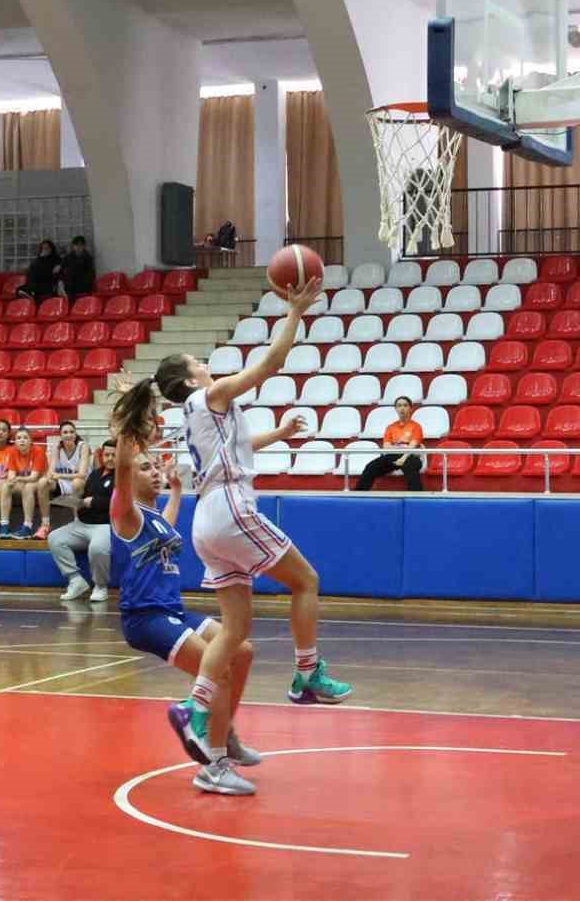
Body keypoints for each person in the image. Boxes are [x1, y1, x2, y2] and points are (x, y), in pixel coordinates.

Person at [111, 276, 350, 790]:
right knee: (305, 580)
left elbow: (237, 447)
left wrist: (279, 434)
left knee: (237, 633)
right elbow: (270, 365)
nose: (205, 362)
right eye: (197, 361)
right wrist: (295, 311)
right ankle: (307, 673)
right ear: (191, 377)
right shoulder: (212, 394)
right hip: (231, 510)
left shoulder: (200, 412)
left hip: (208, 521)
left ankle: (208, 738)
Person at [106, 430, 260, 794]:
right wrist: (128, 431)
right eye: (146, 468)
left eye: (156, 466)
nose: (155, 471)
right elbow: (122, 467)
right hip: (146, 617)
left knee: (241, 652)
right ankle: (213, 768)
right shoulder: (126, 513)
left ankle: (225, 735)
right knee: (218, 669)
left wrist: (174, 491)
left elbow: (168, 529)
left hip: (172, 610)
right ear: (129, 476)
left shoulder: (154, 517)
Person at [48, 438, 115, 602]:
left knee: (98, 548)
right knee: (55, 538)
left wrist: (94, 502)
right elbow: (85, 497)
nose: (110, 458)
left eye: (114, 455)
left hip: (105, 525)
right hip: (82, 524)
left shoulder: (123, 477)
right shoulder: (95, 474)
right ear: (102, 455)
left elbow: (121, 503)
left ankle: (100, 586)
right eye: (107, 455)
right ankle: (75, 580)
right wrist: (75, 501)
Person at [31, 421, 90, 540]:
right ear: (61, 435)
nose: (68, 435)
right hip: (63, 482)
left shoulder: (83, 447)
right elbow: (51, 472)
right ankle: (45, 525)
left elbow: (82, 474)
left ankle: (77, 523)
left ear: (75, 434)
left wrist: (59, 475)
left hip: (82, 483)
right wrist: (47, 478)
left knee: (76, 482)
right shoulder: (57, 448)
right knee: (42, 483)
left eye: (71, 432)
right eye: (65, 432)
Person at [355, 397, 426, 492]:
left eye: (405, 405)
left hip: (410, 456)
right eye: (399, 406)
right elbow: (386, 447)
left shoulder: (416, 426)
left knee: (410, 467)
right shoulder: (391, 427)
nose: (402, 408)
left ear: (410, 408)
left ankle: (416, 498)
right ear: (396, 408)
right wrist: (402, 447)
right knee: (371, 467)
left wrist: (402, 457)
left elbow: (412, 446)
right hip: (394, 455)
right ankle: (359, 494)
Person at [0, 429, 46, 540]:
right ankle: (4, 525)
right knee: (6, 486)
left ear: (30, 440)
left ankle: (27, 526)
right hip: (23, 482)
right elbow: (11, 476)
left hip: (41, 482)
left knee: (27, 487)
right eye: (18, 438)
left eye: (25, 438)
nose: (22, 440)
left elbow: (34, 477)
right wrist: (11, 480)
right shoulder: (13, 452)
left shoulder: (38, 451)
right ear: (15, 442)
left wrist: (17, 478)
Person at [60, 235, 95, 300]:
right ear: (73, 246)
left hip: (83, 287)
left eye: (81, 245)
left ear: (84, 246)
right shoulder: (67, 257)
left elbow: (90, 273)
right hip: (70, 287)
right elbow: (62, 271)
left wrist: (87, 284)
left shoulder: (88, 258)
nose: (78, 247)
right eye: (76, 245)